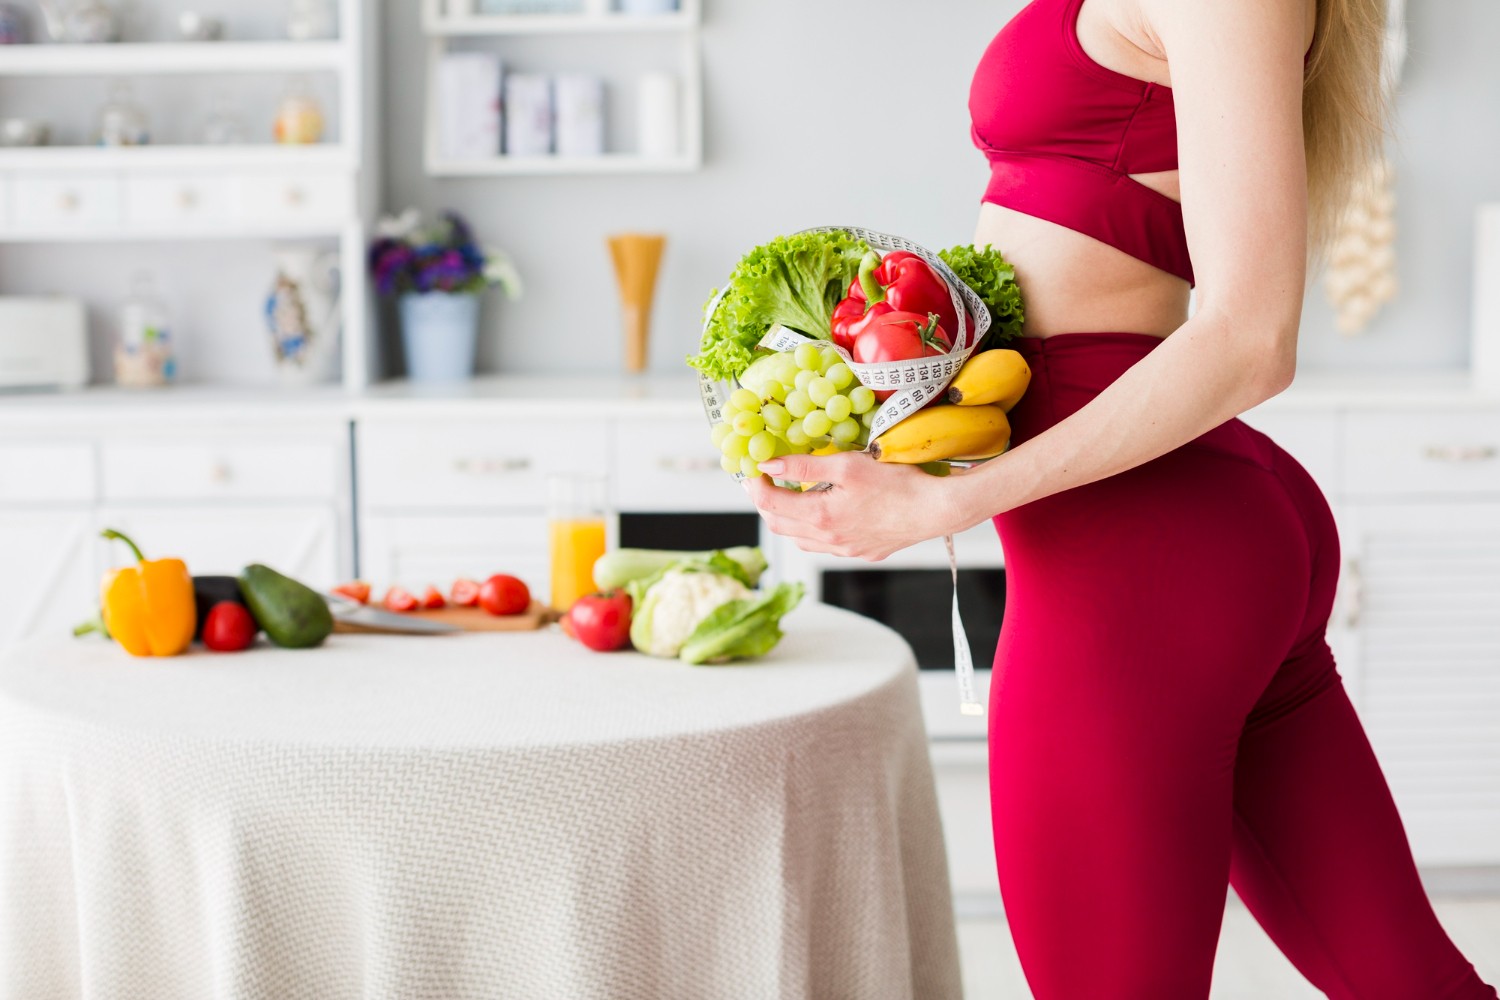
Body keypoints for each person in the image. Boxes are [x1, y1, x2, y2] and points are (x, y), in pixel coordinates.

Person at [744, 0, 1500, 997]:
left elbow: (1249, 338)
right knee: (1406, 980)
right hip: (1174, 533)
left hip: (1138, 554)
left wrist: (945, 508)